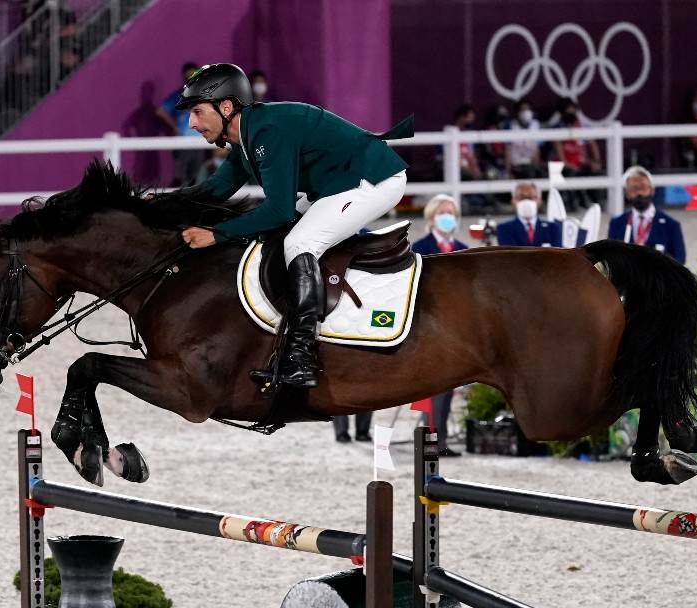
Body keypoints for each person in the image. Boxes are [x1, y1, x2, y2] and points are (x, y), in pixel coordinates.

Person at [176, 63, 414, 389]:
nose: (191, 123)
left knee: (299, 242)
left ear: (226, 107)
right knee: (283, 236)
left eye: (198, 112)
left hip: (373, 178)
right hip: (336, 182)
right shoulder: (245, 136)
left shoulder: (266, 132)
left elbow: (278, 209)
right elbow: (213, 192)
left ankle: (302, 357)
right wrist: (155, 203)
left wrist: (217, 234)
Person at [411, 194, 465, 457]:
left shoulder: (464, 248)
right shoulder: (419, 247)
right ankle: (431, 440)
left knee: (448, 386)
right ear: (432, 216)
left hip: (458, 329)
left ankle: (439, 439)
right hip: (429, 327)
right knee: (431, 388)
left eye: (451, 212)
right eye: (444, 212)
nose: (448, 217)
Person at [607, 166, 686, 263]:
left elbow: (680, 261)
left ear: (652, 190)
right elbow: (610, 259)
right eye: (634, 188)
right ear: (626, 193)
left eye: (643, 187)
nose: (639, 193)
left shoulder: (671, 225)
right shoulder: (616, 224)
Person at [156, 62, 203, 186]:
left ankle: (192, 203)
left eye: (193, 75)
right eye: (187, 75)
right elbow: (160, 111)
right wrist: (174, 126)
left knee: (196, 177)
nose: (190, 78)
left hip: (199, 141)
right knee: (180, 177)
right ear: (183, 77)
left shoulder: (205, 97)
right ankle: (176, 202)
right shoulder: (178, 96)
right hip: (182, 141)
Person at [494, 182, 561, 247]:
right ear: (513, 201)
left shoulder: (553, 228)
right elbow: (510, 255)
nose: (526, 202)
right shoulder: (503, 229)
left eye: (531, 197)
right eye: (521, 198)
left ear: (539, 201)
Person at [505, 99, 543, 178]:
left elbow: (537, 149)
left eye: (527, 109)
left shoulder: (535, 125)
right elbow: (507, 150)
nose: (525, 112)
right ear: (517, 112)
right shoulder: (511, 126)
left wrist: (536, 168)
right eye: (522, 109)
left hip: (530, 164)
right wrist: (508, 171)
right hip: (516, 165)